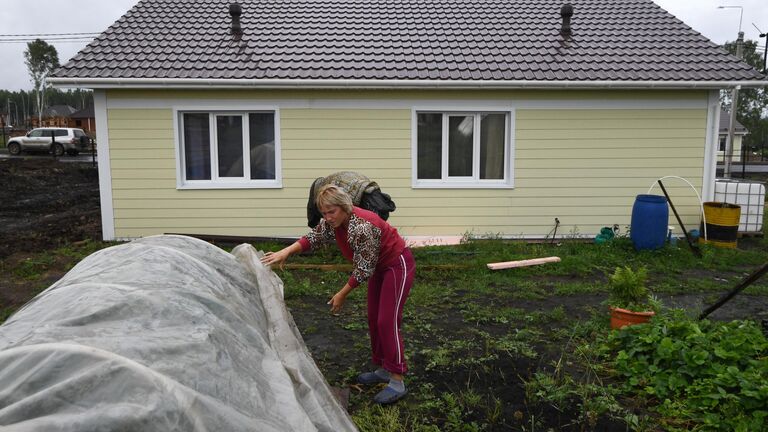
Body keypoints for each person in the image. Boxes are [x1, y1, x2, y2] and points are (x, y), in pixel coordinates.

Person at [261, 184, 415, 404]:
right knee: (373, 317)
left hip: (396, 264)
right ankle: (384, 368)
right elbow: (312, 238)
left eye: (331, 212)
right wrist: (286, 252)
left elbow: (364, 268)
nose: (328, 217)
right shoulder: (333, 223)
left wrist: (342, 294)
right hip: (379, 267)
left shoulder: (362, 226)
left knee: (386, 321)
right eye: (324, 213)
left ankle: (397, 379)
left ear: (344, 207)